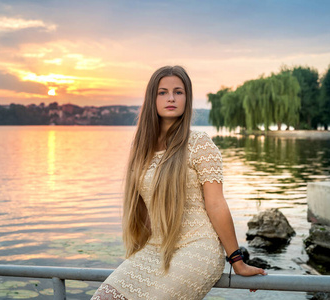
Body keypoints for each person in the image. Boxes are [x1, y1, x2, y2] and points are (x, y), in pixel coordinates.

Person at [92, 66, 266, 300]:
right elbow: (143, 209)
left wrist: (237, 261)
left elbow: (216, 204)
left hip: (197, 247)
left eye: (178, 92)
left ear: (187, 98)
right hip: (156, 249)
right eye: (162, 92)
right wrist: (137, 254)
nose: (171, 98)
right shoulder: (141, 148)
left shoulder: (200, 144)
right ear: (151, 99)